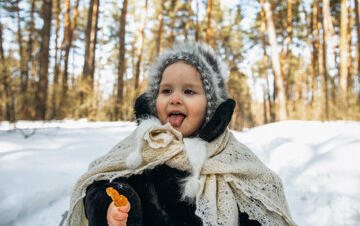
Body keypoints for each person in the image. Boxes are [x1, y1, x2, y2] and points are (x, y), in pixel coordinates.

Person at [66, 42, 297, 226]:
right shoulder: (142, 147)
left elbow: (259, 209)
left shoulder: (231, 158)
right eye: (166, 90)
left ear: (210, 106)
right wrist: (112, 207)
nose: (175, 99)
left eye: (189, 91)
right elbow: (97, 186)